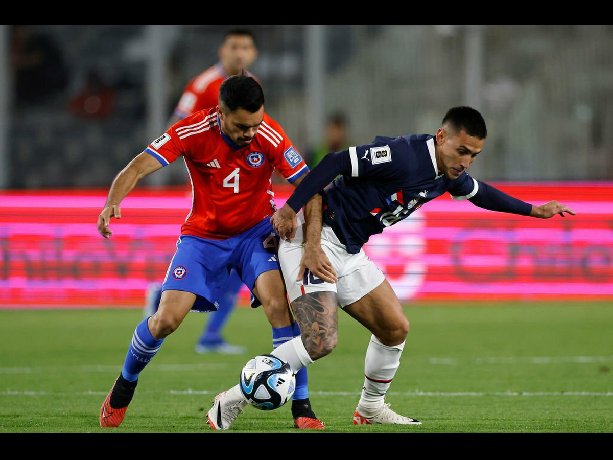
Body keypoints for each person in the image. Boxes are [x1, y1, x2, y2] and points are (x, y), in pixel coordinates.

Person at [207, 106, 576, 428]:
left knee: (395, 327)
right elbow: (335, 162)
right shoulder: (403, 154)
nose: (465, 161)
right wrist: (291, 210)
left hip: (348, 249)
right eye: (462, 151)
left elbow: (480, 193)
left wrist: (535, 210)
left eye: (474, 155)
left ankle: (370, 409)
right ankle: (231, 399)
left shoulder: (448, 174)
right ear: (442, 136)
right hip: (313, 240)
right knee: (320, 341)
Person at [98, 75, 325, 430]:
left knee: (280, 306)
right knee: (166, 320)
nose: (250, 133)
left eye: (256, 124)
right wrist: (113, 201)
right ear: (220, 112)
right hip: (202, 238)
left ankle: (303, 407)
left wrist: (310, 240)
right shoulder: (192, 131)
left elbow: (311, 186)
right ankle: (125, 383)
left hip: (255, 235)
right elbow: (139, 165)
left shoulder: (270, 134)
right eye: (241, 126)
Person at [146, 28, 259, 355]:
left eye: (246, 47)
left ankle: (207, 331)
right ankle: (163, 299)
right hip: (209, 191)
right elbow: (176, 129)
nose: (240, 53)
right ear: (222, 51)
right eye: (234, 46)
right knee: (224, 262)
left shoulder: (251, 86)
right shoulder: (203, 85)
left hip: (240, 193)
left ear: (254, 54)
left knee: (235, 266)